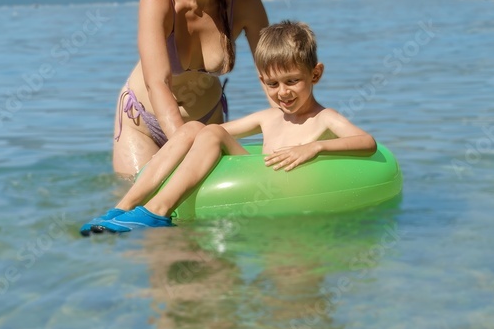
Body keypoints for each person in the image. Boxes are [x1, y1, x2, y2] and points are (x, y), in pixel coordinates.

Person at [82, 20, 377, 234]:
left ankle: (157, 211)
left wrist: (316, 146)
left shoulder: (325, 118)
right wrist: (190, 132)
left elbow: (367, 142)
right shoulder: (269, 117)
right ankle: (124, 207)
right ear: (262, 82)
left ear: (316, 74)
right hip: (258, 174)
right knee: (193, 128)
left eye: (292, 81)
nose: (283, 92)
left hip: (276, 184)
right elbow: (203, 133)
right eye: (272, 84)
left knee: (210, 131)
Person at [112, 0, 269, 178]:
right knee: (146, 207)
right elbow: (157, 83)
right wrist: (183, 147)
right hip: (143, 124)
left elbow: (273, 73)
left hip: (208, 121)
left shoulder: (245, 2)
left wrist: (299, 125)